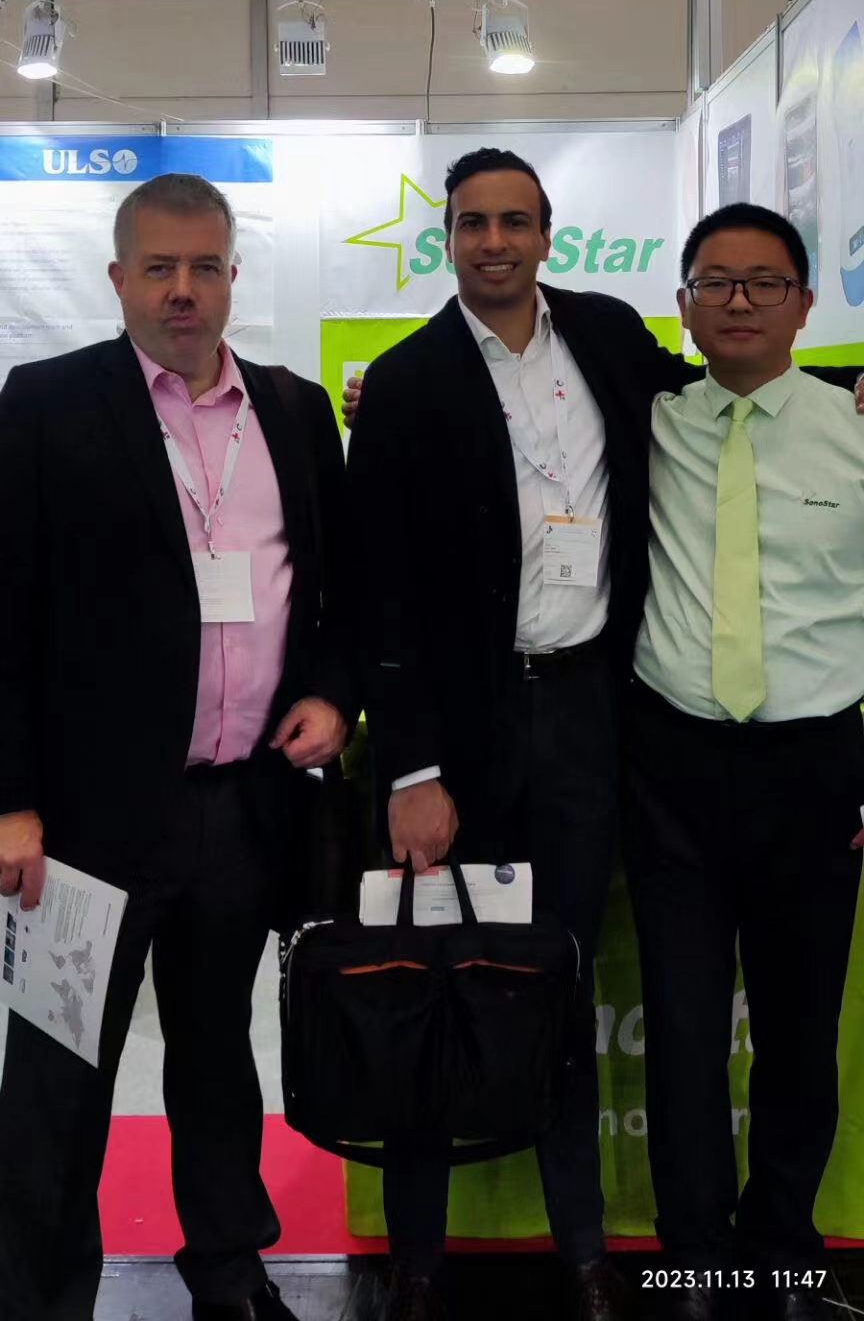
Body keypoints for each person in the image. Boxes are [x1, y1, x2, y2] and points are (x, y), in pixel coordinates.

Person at [342, 156, 862, 1321]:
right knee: (462, 995)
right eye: (472, 222)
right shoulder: (415, 381)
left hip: (637, 734)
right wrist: (411, 763)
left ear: (549, 234)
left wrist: (844, 384)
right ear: (448, 238)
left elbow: (743, 373)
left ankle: (671, 1256)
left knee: (656, 1008)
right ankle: (449, 1263)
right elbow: (379, 593)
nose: (494, 240)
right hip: (527, 746)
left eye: (515, 221)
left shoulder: (613, 342)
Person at [0, 172, 355, 1321]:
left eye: (205, 267)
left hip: (241, 804)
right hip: (86, 821)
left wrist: (332, 697)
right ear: (119, 278)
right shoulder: (46, 403)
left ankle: (229, 1276)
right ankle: (39, 1296)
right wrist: (10, 800)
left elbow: (336, 595)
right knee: (60, 1075)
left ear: (233, 276)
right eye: (160, 268)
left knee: (217, 1056)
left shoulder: (295, 411)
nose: (184, 290)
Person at [621, 203, 864, 1320]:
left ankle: (782, 1250)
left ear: (805, 304)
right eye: (714, 282)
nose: (739, 302)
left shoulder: (851, 423)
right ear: (683, 303)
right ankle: (695, 1258)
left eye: (765, 283)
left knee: (799, 1031)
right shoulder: (647, 419)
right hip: (671, 766)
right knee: (680, 1031)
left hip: (816, 770)